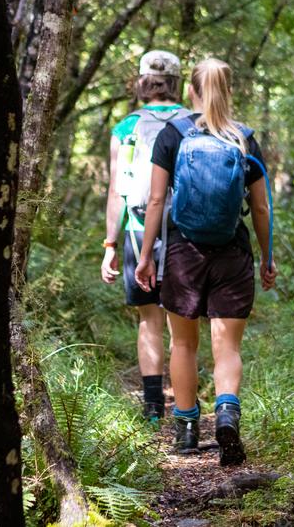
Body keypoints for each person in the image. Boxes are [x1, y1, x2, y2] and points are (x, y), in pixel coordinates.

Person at [135, 57, 277, 467]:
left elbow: (156, 201)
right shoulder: (244, 140)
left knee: (183, 343)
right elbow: (261, 208)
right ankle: (227, 413)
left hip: (184, 252)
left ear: (191, 90)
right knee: (226, 345)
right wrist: (267, 258)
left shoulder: (173, 135)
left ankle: (186, 431)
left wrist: (145, 257)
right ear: (229, 90)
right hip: (233, 252)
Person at [101, 50, 191, 422]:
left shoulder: (127, 127)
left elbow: (117, 190)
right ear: (176, 82)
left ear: (142, 82)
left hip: (139, 230)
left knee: (148, 318)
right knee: (180, 323)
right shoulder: (192, 121)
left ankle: (153, 409)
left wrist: (110, 243)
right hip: (185, 232)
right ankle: (185, 410)